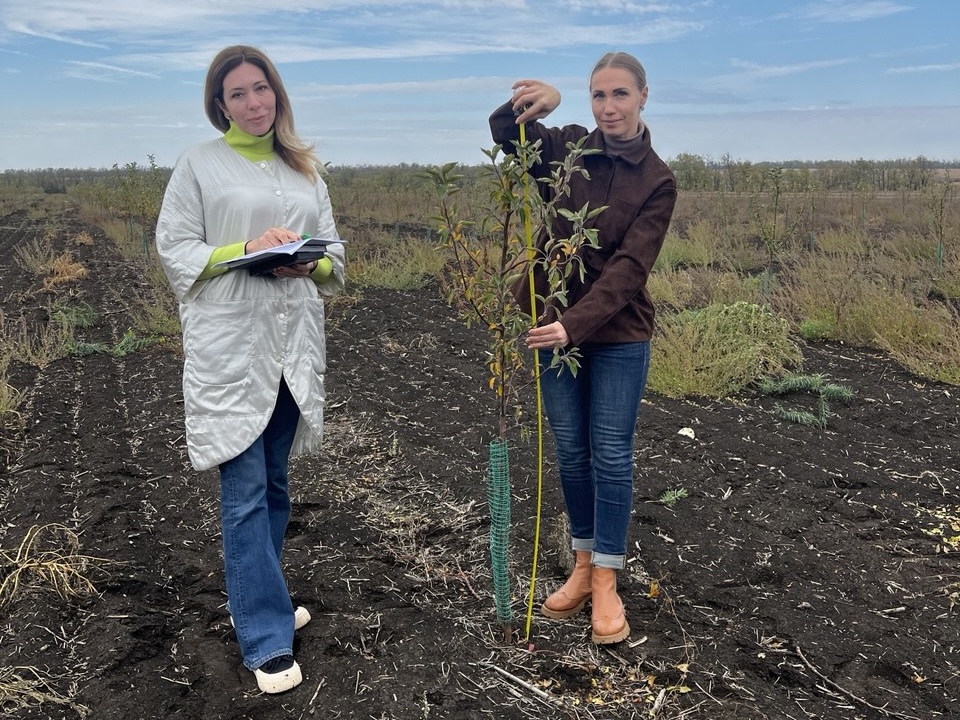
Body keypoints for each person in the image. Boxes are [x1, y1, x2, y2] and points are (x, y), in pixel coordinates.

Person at [155, 45, 345, 693]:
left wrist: (308, 262)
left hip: (294, 343)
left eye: (261, 88)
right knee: (244, 492)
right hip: (233, 346)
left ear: (277, 93)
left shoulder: (304, 168)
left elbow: (336, 257)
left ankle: (259, 595)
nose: (254, 102)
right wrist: (245, 249)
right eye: (238, 93)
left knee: (276, 484)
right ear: (220, 104)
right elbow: (175, 247)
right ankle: (264, 637)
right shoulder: (199, 164)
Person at [489, 52, 676, 644]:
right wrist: (538, 105)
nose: (608, 107)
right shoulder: (568, 149)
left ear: (643, 96)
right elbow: (505, 134)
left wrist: (574, 325)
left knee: (611, 453)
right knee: (571, 451)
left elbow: (630, 270)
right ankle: (582, 563)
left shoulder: (658, 180)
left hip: (618, 333)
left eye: (620, 94)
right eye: (598, 95)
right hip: (553, 328)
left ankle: (606, 580)